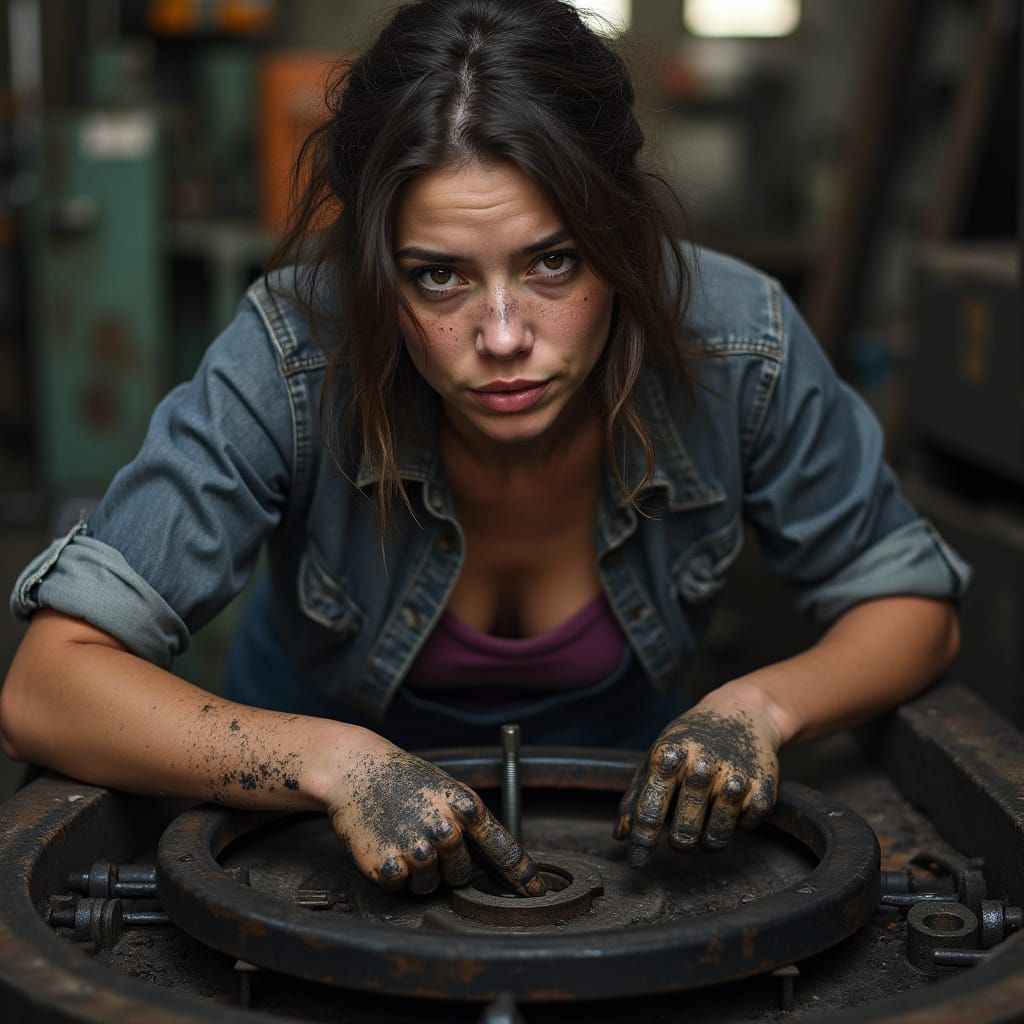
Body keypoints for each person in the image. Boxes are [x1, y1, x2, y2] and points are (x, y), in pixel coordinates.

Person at [0, 0, 969, 897]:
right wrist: (335, 761)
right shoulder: (292, 352)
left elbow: (911, 608)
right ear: (374, 267)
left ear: (619, 235)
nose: (503, 336)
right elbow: (47, 687)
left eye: (553, 261)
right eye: (438, 277)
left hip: (627, 841)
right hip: (308, 844)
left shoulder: (737, 340)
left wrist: (760, 707)